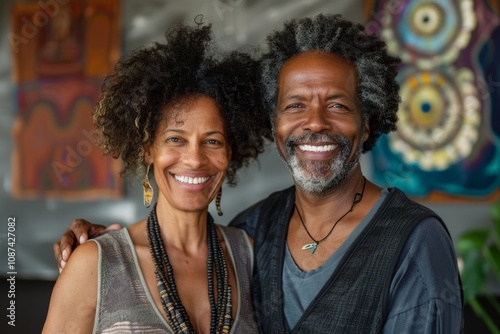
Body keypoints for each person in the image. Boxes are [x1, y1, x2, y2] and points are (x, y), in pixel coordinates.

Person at [53, 14, 463, 333]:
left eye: (337, 105)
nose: (315, 123)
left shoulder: (414, 241)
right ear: (275, 124)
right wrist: (101, 252)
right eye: (295, 105)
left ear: (367, 122)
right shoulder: (255, 232)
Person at [44, 19, 269, 334]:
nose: (194, 158)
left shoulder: (250, 258)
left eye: (213, 141)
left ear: (230, 151)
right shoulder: (96, 264)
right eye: (175, 139)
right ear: (147, 148)